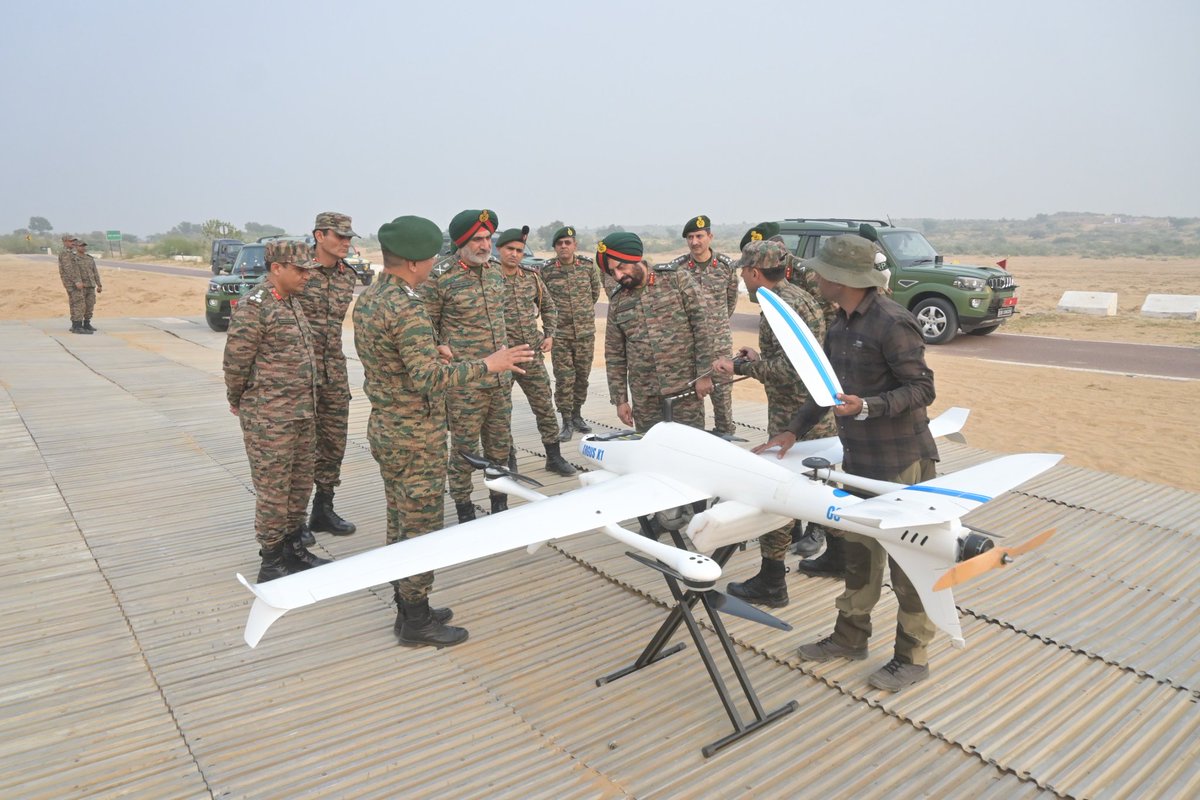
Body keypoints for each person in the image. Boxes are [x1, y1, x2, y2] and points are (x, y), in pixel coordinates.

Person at [755, 234, 940, 692]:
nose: (814, 277)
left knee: (907, 566)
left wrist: (868, 406)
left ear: (844, 279)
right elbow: (828, 389)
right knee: (859, 558)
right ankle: (850, 637)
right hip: (858, 461)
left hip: (901, 463)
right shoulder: (839, 325)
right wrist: (792, 431)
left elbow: (922, 390)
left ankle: (912, 657)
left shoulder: (892, 323)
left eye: (821, 271)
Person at [353, 215, 533, 647]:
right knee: (420, 527)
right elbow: (428, 379)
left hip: (388, 426)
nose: (436, 261)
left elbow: (397, 356)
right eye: (432, 254)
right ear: (416, 260)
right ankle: (416, 621)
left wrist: (432, 349)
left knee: (400, 519)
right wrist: (488, 364)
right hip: (414, 434)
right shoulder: (408, 305)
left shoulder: (373, 297)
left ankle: (407, 605)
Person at [712, 239, 837, 607]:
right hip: (816, 411)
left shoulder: (776, 305)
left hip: (793, 418)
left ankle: (771, 580)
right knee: (822, 485)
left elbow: (788, 370)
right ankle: (841, 557)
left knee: (779, 493)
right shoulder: (798, 295)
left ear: (753, 272)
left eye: (743, 274)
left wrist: (740, 367)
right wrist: (759, 356)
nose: (743, 281)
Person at [223, 240, 330, 583]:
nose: (306, 277)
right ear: (277, 268)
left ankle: (292, 547)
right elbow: (236, 361)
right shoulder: (256, 307)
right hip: (270, 418)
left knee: (299, 486)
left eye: (308, 271)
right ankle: (271, 560)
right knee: (273, 490)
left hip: (301, 413)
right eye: (299, 271)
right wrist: (237, 397)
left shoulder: (292, 302)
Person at [422, 209, 513, 522]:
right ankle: (464, 512)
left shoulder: (496, 271)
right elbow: (425, 322)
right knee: (463, 452)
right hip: (464, 383)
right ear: (461, 242)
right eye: (477, 239)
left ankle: (500, 506)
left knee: (500, 448)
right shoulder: (440, 276)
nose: (485, 245)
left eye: (488, 238)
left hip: (500, 380)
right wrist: (439, 344)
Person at [602, 231, 714, 432]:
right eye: (613, 272)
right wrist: (620, 400)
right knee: (650, 450)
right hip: (645, 397)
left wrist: (704, 375)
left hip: (684, 389)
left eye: (621, 267)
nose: (618, 276)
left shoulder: (677, 280)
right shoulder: (618, 301)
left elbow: (703, 329)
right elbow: (614, 355)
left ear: (635, 258)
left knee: (689, 447)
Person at [296, 212, 360, 542]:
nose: (346, 242)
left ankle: (323, 509)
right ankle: (295, 520)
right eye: (340, 236)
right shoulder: (299, 270)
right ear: (319, 236)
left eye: (350, 237)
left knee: (334, 443)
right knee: (301, 447)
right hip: (298, 373)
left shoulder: (348, 276)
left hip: (334, 370)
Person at [495, 226, 576, 477]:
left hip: (530, 354)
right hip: (501, 358)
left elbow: (549, 307)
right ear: (499, 250)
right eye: (510, 249)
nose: (515, 255)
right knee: (500, 411)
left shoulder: (531, 278)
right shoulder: (488, 279)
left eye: (519, 250)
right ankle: (509, 461)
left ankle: (553, 456)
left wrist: (549, 333)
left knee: (544, 406)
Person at [671, 215, 738, 435]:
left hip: (719, 345)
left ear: (710, 236)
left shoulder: (726, 267)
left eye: (699, 236)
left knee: (723, 399)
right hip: (687, 346)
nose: (694, 242)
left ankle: (726, 435)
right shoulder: (677, 268)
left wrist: (714, 326)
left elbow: (730, 303)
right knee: (690, 401)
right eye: (690, 237)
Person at [540, 225, 602, 441]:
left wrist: (581, 313)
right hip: (561, 335)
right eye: (560, 243)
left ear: (575, 245)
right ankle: (566, 419)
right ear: (555, 247)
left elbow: (594, 293)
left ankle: (577, 414)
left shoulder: (586, 266)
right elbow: (542, 300)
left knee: (582, 377)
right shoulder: (546, 271)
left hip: (585, 333)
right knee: (565, 378)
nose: (564, 246)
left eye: (568, 242)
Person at [58, 235, 89, 334]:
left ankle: (75, 325)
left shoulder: (69, 252)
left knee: (74, 303)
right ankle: (78, 326)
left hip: (71, 282)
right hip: (72, 283)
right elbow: (69, 269)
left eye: (74, 241)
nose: (73, 243)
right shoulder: (66, 253)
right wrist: (76, 281)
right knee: (79, 303)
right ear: (65, 242)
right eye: (71, 241)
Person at [71, 238, 103, 333]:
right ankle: (77, 325)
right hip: (81, 286)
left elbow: (95, 272)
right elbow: (73, 273)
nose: (83, 248)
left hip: (91, 286)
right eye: (81, 246)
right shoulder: (74, 259)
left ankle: (87, 323)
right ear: (76, 247)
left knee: (90, 306)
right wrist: (77, 282)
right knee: (80, 306)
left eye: (84, 246)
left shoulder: (89, 258)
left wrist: (99, 285)